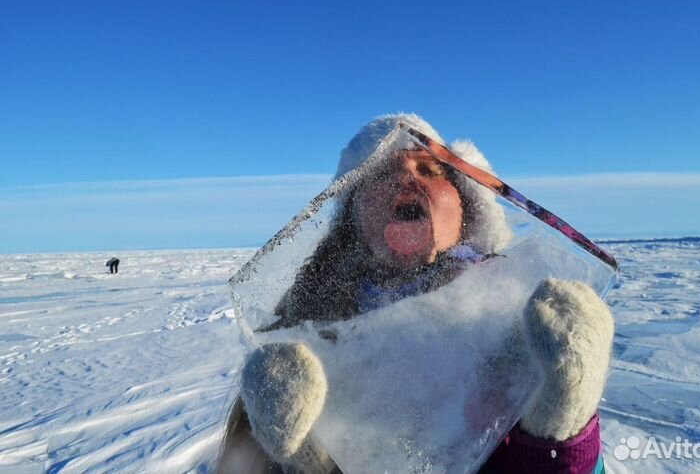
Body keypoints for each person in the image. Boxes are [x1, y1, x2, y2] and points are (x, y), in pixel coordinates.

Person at [218, 114, 614, 474]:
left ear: (466, 208)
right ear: (352, 220)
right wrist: (302, 462)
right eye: (379, 174)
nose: (408, 176)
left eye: (430, 169)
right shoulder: (304, 338)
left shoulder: (519, 322)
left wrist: (563, 425)